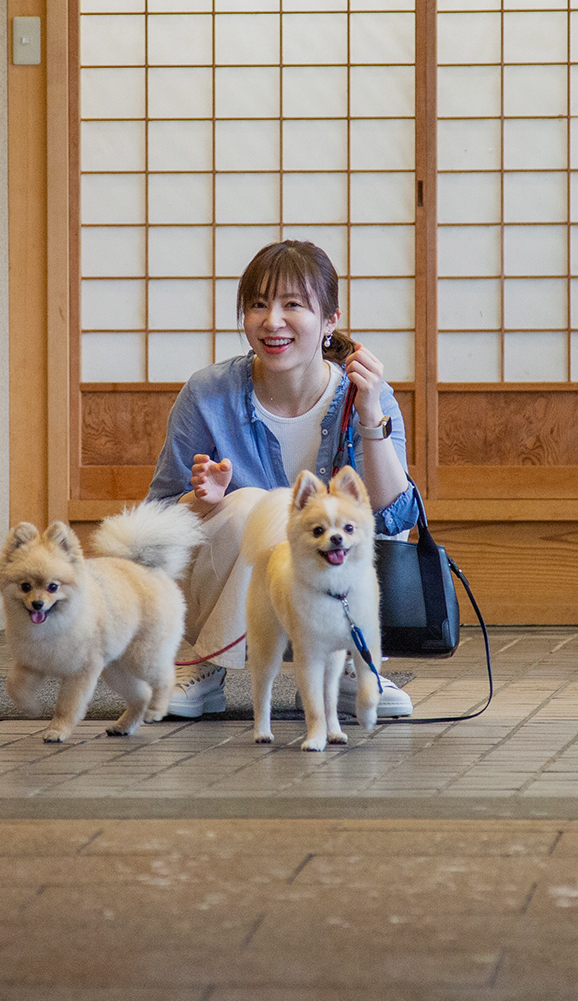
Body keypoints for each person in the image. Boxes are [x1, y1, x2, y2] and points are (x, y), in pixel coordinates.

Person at [146, 240, 419, 718]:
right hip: (242, 594)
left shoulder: (366, 393)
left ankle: (347, 662)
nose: (272, 321)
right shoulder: (208, 394)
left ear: (331, 319)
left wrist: (372, 417)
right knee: (254, 505)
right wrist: (202, 501)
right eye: (257, 305)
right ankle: (205, 667)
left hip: (328, 581)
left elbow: (395, 513)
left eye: (293, 304)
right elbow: (157, 519)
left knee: (356, 517)